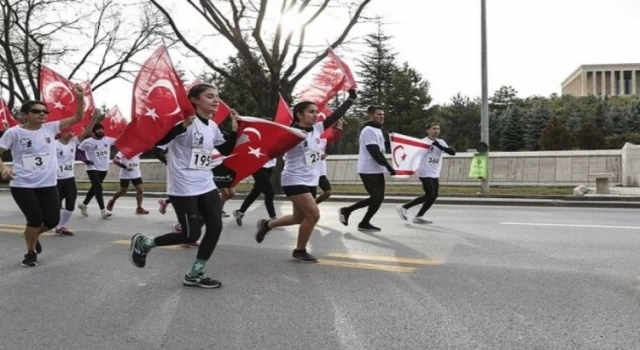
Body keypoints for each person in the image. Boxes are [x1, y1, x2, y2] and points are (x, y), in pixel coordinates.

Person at [129, 83, 238, 289]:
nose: (216, 100)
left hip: (205, 183)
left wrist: (233, 132)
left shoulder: (212, 126)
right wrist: (179, 128)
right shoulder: (183, 123)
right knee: (190, 234)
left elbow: (222, 149)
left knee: (215, 227)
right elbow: (156, 144)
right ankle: (145, 243)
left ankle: (195, 273)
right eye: (210, 96)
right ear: (195, 100)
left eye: (217, 96)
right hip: (183, 186)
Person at [253, 89, 357, 263]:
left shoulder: (317, 128)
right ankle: (300, 250)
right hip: (293, 179)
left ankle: (267, 224)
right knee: (314, 215)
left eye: (317, 112)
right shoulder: (290, 132)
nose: (316, 115)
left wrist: (350, 99)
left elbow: (335, 116)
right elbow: (273, 150)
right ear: (299, 115)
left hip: (311, 179)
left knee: (298, 218)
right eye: (311, 112)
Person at [0, 84, 85, 267]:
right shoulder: (13, 132)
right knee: (35, 219)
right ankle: (30, 252)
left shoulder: (50, 128)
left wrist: (80, 98)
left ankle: (32, 234)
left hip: (47, 183)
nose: (42, 114)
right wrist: (4, 169)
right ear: (25, 115)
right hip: (22, 184)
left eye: (45, 111)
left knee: (53, 220)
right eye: (36, 111)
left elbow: (78, 117)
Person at [338, 106, 395, 233]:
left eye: (382, 114)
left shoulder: (377, 130)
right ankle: (347, 210)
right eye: (378, 114)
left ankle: (365, 223)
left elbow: (380, 149)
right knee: (376, 197)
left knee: (379, 198)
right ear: (370, 115)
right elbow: (374, 151)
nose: (382, 116)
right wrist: (388, 166)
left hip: (377, 169)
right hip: (368, 169)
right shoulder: (368, 130)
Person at [396, 122, 455, 224]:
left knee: (434, 195)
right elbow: (413, 155)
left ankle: (419, 216)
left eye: (438, 129)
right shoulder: (423, 142)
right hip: (424, 170)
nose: (436, 131)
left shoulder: (440, 141)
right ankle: (403, 207)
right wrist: (409, 168)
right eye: (433, 129)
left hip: (435, 171)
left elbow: (452, 152)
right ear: (428, 130)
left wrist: (439, 146)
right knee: (429, 194)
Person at [54, 112, 99, 236]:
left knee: (71, 203)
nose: (71, 133)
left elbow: (87, 130)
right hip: (55, 179)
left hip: (69, 178)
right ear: (61, 133)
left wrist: (94, 118)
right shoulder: (53, 145)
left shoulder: (73, 142)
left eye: (72, 131)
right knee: (54, 205)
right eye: (68, 131)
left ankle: (61, 226)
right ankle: (47, 222)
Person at [77, 123, 115, 218]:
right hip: (92, 168)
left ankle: (84, 205)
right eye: (98, 129)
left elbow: (122, 140)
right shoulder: (87, 142)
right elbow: (78, 152)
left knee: (94, 188)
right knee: (98, 187)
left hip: (104, 168)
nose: (101, 131)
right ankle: (103, 210)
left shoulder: (108, 140)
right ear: (93, 132)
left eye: (102, 129)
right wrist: (85, 160)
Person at [232, 158, 277, 226]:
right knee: (269, 192)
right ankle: (273, 218)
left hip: (270, 164)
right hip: (257, 164)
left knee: (256, 191)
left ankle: (240, 212)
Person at [315, 118, 344, 204]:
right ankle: (309, 209)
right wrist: (319, 156)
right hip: (309, 172)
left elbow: (334, 137)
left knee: (328, 191)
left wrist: (339, 126)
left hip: (320, 171)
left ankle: (312, 205)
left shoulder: (324, 138)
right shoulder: (307, 136)